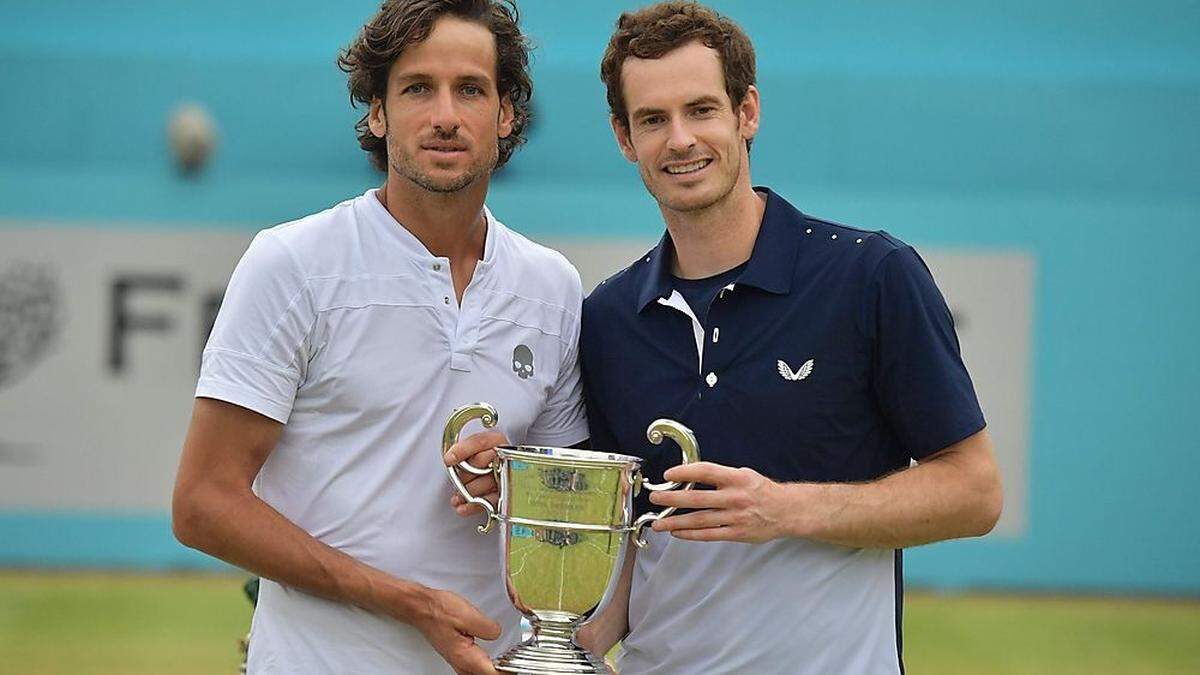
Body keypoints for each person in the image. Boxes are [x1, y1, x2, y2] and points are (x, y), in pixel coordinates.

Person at [575, 3, 1004, 673]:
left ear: (747, 113)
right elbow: (633, 537)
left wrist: (783, 507)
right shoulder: (608, 318)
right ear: (624, 138)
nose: (680, 139)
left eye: (702, 109)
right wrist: (572, 642)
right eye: (653, 120)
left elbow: (975, 492)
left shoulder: (870, 275)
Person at [170, 1, 589, 673]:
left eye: (471, 90)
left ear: (506, 114)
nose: (445, 115)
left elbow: (566, 524)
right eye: (418, 88)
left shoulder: (553, 286)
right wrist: (409, 602)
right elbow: (203, 504)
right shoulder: (292, 263)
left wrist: (517, 480)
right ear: (378, 112)